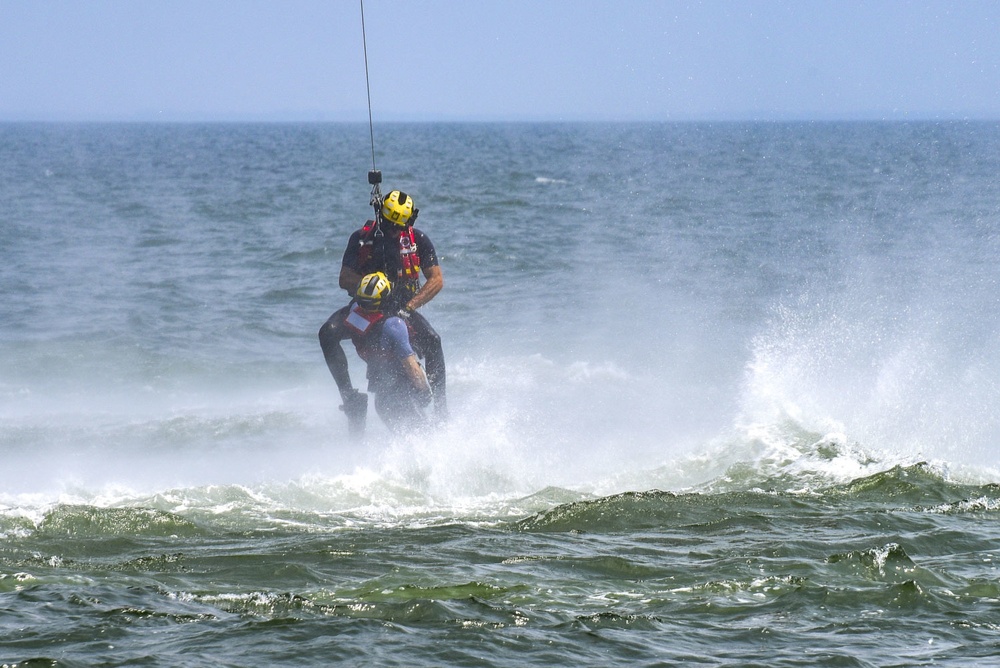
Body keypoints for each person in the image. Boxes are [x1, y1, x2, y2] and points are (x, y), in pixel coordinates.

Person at [319, 189, 446, 436]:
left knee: (433, 340)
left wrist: (410, 307)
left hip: (402, 308)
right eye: (388, 226)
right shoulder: (361, 239)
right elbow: (344, 278)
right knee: (328, 332)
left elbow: (436, 280)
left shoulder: (418, 240)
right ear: (380, 216)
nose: (393, 232)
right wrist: (371, 286)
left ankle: (441, 409)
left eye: (399, 228)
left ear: (409, 222)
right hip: (366, 306)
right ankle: (350, 397)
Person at [344, 271, 432, 433]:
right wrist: (425, 391)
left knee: (402, 439)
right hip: (404, 394)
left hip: (381, 401)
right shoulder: (393, 326)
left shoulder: (355, 315)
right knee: (426, 436)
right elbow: (412, 367)